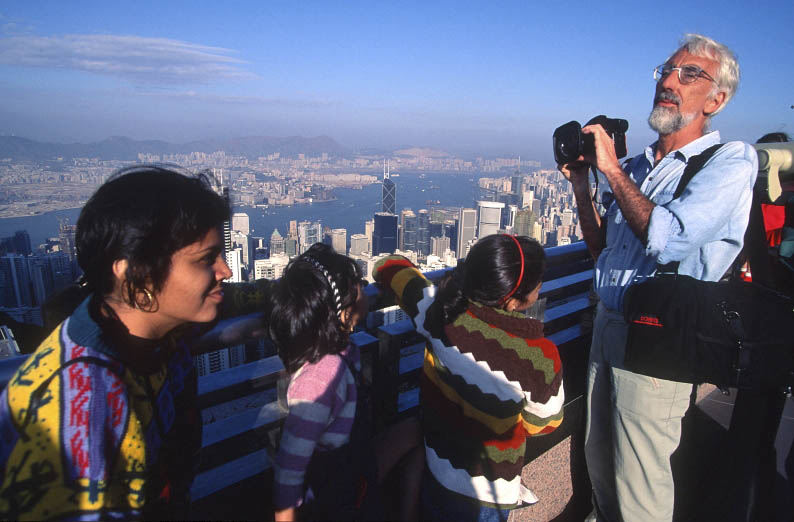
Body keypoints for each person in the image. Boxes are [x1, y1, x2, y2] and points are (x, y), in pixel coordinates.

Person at [558, 34, 757, 521]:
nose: (669, 80)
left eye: (690, 74)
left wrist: (611, 169)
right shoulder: (640, 166)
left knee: (639, 483)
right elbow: (602, 249)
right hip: (608, 325)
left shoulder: (730, 162)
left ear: (717, 99)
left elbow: (669, 237)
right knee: (600, 465)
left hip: (659, 338)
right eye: (666, 70)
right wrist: (585, 185)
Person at [0, 166, 235, 520]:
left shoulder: (156, 334)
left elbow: (237, 299)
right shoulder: (82, 401)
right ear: (135, 273)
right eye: (206, 259)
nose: (226, 271)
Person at [373, 234, 564, 522]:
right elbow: (545, 424)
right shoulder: (538, 358)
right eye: (538, 284)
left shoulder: (439, 312)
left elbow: (390, 267)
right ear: (512, 302)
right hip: (488, 495)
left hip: (436, 468)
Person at [270, 243, 424, 521]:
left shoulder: (335, 350)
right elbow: (289, 466)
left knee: (414, 431)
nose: (367, 290)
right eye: (360, 285)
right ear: (343, 312)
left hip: (353, 467)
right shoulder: (321, 374)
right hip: (338, 493)